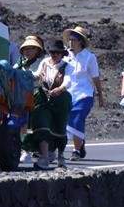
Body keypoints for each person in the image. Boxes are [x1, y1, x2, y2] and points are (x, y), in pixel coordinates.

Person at [21, 36, 71, 171]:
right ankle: (44, 157)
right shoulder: (45, 63)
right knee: (41, 124)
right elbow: (37, 75)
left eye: (57, 53)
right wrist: (26, 74)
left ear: (62, 54)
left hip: (61, 100)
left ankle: (61, 156)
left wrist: (60, 89)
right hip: (44, 98)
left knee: (59, 128)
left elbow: (68, 81)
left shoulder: (67, 66)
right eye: (52, 52)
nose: (54, 55)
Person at [62, 27, 100, 161]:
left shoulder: (90, 57)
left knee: (77, 118)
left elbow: (95, 77)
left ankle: (76, 150)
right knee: (66, 120)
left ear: (81, 41)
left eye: (74, 40)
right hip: (67, 93)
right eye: (70, 40)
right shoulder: (65, 56)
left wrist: (100, 95)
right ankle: (80, 142)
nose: (71, 42)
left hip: (85, 94)